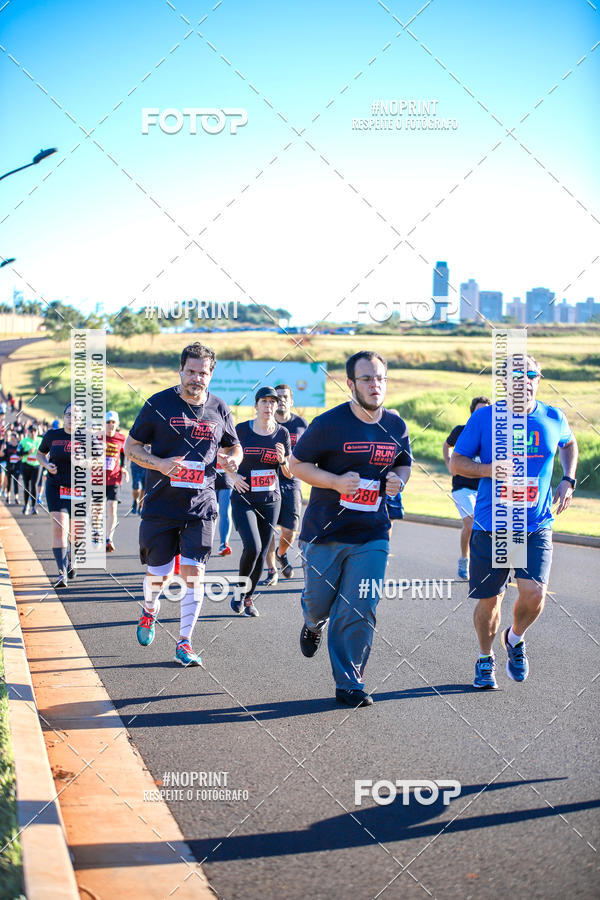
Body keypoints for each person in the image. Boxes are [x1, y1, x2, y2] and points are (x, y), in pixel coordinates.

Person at [289, 350, 411, 708]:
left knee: (360, 606)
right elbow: (297, 464)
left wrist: (397, 483)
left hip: (372, 532)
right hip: (324, 533)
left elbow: (403, 464)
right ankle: (312, 623)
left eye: (380, 378)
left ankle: (350, 682)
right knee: (318, 603)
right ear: (351, 384)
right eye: (367, 379)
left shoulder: (396, 425)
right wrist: (335, 481)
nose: (375, 386)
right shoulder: (329, 424)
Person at [450, 355, 578, 690]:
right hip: (494, 524)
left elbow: (569, 443)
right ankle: (484, 657)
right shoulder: (485, 418)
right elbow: (457, 463)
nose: (524, 380)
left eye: (530, 374)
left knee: (534, 594)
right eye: (515, 375)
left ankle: (515, 638)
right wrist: (487, 470)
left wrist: (569, 479)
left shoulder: (553, 417)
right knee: (491, 599)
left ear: (539, 377)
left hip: (536, 524)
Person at [125, 343, 242, 666]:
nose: (196, 378)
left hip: (201, 505)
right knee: (158, 574)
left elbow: (235, 447)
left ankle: (185, 642)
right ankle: (150, 609)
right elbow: (131, 447)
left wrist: (232, 461)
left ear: (211, 374)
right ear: (181, 370)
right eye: (190, 371)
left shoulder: (219, 408)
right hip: (161, 505)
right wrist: (159, 463)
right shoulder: (159, 404)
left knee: (195, 572)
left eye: (202, 373)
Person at [229, 387, 292, 617]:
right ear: (256, 405)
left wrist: (282, 459)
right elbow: (224, 457)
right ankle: (239, 591)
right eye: (264, 402)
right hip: (244, 497)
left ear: (277, 406)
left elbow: (288, 473)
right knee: (253, 547)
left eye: (272, 402)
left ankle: (247, 598)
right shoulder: (242, 430)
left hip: (270, 499)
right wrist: (233, 477)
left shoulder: (282, 434)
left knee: (264, 549)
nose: (268, 406)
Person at [262, 384, 308, 585]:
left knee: (289, 530)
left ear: (291, 401)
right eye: (277, 397)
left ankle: (281, 554)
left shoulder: (301, 424)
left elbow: (310, 451)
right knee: (268, 528)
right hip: (267, 481)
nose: (281, 400)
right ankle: (272, 570)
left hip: (292, 481)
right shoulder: (264, 423)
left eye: (284, 397)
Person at [443, 396, 491, 580]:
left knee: (487, 526)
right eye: (478, 410)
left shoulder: (491, 433)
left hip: (483, 489)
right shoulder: (461, 431)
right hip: (462, 487)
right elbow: (447, 445)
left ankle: (483, 563)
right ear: (472, 413)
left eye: (485, 410)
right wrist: (449, 463)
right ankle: (464, 559)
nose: (481, 413)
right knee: (470, 523)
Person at [37, 403, 79, 587]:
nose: (72, 418)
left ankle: (71, 558)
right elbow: (40, 454)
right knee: (59, 529)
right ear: (63, 416)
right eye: (69, 414)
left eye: (76, 415)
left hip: (79, 489)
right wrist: (47, 465)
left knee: (76, 534)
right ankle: (62, 574)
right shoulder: (52, 436)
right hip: (56, 487)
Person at [102, 411, 128, 551]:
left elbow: (123, 452)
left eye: (113, 422)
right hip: (98, 479)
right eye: (108, 422)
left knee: (112, 507)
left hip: (114, 478)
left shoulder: (121, 438)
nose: (111, 425)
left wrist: (123, 467)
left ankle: (108, 538)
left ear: (117, 424)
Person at [18, 422, 42, 515]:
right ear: (28, 432)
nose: (33, 433)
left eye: (34, 431)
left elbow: (48, 451)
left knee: (34, 485)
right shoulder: (24, 441)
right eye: (31, 431)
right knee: (26, 486)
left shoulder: (41, 440)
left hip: (37, 466)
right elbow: (18, 453)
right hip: (26, 465)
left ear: (37, 432)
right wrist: (27, 452)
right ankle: (26, 505)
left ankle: (34, 507)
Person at [215, 460, 233, 555]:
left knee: (225, 512)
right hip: (209, 477)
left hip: (226, 478)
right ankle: (205, 545)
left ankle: (223, 545)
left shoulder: (230, 444)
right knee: (210, 514)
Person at [3, 430, 21, 505]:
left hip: (17, 467)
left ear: (16, 438)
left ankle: (16, 498)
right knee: (9, 482)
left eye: (14, 438)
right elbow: (3, 455)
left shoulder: (19, 446)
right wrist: (2, 449)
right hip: (9, 466)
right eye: (11, 438)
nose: (12, 439)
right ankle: (8, 497)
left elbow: (21, 455)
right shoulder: (8, 445)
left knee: (16, 482)